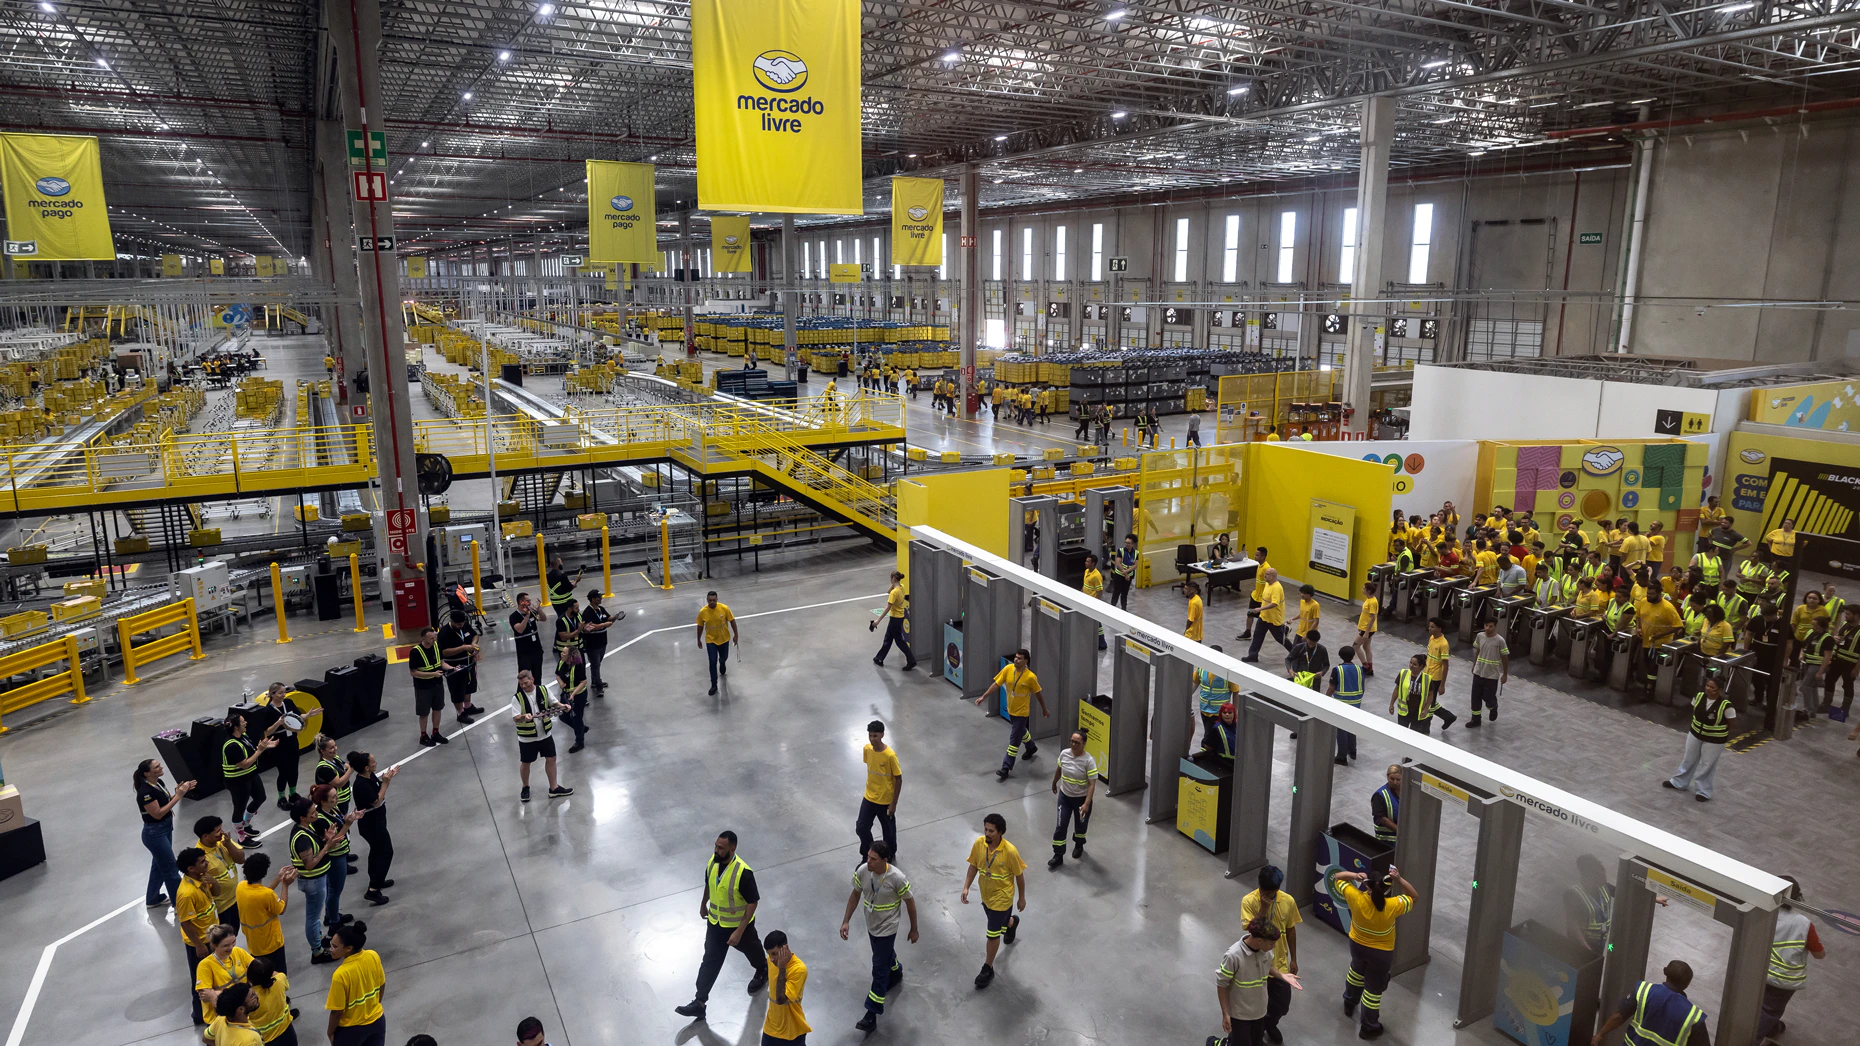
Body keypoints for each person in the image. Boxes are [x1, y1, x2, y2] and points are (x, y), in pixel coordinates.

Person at [676, 831, 769, 1020]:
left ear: (732, 849)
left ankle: (762, 969)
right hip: (715, 924)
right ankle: (700, 1002)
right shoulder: (713, 862)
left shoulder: (743, 873)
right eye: (716, 846)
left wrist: (739, 931)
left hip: (739, 927)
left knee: (753, 951)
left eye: (721, 848)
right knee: (710, 960)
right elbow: (709, 885)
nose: (716, 850)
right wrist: (703, 903)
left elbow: (753, 902)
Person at [839, 841, 918, 1032]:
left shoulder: (897, 878)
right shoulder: (863, 871)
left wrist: (914, 929)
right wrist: (846, 921)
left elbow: (910, 903)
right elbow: (855, 895)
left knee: (879, 970)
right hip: (872, 924)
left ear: (885, 860)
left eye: (873, 859)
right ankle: (896, 970)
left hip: (888, 928)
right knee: (884, 956)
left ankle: (871, 1013)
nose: (868, 861)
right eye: (868, 857)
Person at [1332, 865, 1419, 1039]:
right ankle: (1368, 1027)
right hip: (1381, 954)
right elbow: (1414, 896)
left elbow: (1337, 877)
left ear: (1367, 885)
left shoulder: (1355, 897)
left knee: (1356, 972)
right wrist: (1399, 879)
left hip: (1357, 946)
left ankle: (1349, 1002)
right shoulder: (1392, 905)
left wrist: (1354, 875)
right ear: (1387, 888)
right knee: (1372, 990)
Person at [960, 812, 1027, 989]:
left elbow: (1019, 876)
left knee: (992, 934)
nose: (987, 833)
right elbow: (973, 865)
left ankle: (987, 968)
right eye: (986, 829)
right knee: (998, 922)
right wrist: (966, 887)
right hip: (986, 895)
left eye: (991, 831)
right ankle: (1011, 923)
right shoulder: (979, 844)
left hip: (1002, 898)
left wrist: (1021, 898)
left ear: (1000, 832)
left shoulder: (1010, 851)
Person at [1239, 866, 1304, 1044]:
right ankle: (1257, 1033)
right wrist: (1263, 908)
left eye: (1272, 893)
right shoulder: (1248, 901)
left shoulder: (1288, 901)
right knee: (1255, 1006)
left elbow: (1291, 930)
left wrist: (1294, 959)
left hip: (1279, 964)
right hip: (1256, 965)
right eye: (1265, 892)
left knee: (1282, 1004)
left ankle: (1269, 1023)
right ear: (1259, 886)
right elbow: (1252, 931)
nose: (1268, 896)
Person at [1759, 875, 1825, 1040]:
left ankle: (1768, 1027)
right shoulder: (1803, 924)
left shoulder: (1761, 913)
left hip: (1759, 971)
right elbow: (1819, 954)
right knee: (1770, 1010)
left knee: (1757, 1004)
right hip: (1783, 980)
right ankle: (1754, 1037)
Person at [1588, 960, 1709, 1046]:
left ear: (1665, 973)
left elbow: (1619, 1016)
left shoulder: (1644, 991)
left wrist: (1599, 1034)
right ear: (1687, 984)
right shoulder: (1693, 1017)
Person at [287, 795, 344, 964]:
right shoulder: (302, 838)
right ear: (302, 817)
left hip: (316, 879)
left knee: (316, 915)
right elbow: (310, 864)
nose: (316, 814)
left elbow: (315, 848)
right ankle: (317, 951)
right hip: (312, 881)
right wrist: (328, 846)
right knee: (313, 917)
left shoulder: (306, 828)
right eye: (312, 813)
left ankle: (318, 939)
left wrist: (326, 839)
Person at [976, 648, 1048, 781]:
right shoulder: (1008, 669)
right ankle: (1031, 747)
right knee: (1021, 731)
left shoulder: (1031, 677)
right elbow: (996, 684)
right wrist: (983, 696)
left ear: (1026, 661)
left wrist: (1044, 709)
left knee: (1014, 740)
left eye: (1019, 658)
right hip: (1011, 710)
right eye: (1016, 657)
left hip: (1022, 713)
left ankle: (1006, 767)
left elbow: (1038, 694)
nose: (1016, 660)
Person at [1665, 677, 1734, 802]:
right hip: (1695, 734)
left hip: (1714, 740)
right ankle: (1679, 782)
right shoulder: (1698, 696)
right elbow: (1695, 711)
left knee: (1707, 764)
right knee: (1688, 758)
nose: (1708, 689)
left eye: (1712, 687)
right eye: (1707, 686)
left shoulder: (1726, 706)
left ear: (1720, 690)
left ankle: (1703, 791)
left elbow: (1731, 723)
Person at [138, 759, 194, 907]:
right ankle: (180, 905)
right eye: (156, 767)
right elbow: (158, 814)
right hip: (155, 833)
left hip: (165, 828)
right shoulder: (145, 793)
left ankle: (153, 898)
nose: (161, 767)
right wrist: (179, 796)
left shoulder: (159, 783)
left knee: (158, 866)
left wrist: (180, 792)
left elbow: (166, 802)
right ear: (147, 773)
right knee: (170, 869)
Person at [176, 847, 223, 1025]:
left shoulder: (202, 878)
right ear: (191, 868)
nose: (207, 863)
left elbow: (216, 893)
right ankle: (199, 1015)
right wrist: (199, 945)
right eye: (202, 862)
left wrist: (214, 882)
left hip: (212, 936)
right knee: (201, 980)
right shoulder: (186, 894)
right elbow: (186, 923)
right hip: (201, 942)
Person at [513, 669, 574, 801]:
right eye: (521, 684)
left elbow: (554, 702)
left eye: (525, 683)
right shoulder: (517, 698)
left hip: (545, 734)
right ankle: (525, 787)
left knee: (551, 758)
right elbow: (515, 718)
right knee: (526, 762)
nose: (523, 686)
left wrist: (563, 706)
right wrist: (523, 717)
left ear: (532, 679)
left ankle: (554, 788)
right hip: (527, 738)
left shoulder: (544, 690)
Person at [346, 752, 397, 905]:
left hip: (377, 820)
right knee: (386, 852)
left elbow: (378, 790)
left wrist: (385, 780)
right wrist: (386, 783)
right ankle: (373, 890)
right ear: (366, 767)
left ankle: (377, 880)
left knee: (376, 851)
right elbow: (376, 801)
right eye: (373, 762)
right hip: (371, 824)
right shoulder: (361, 785)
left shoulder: (370, 776)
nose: (376, 763)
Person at [325, 922, 387, 1046]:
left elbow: (337, 1012)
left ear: (349, 948)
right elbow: (382, 985)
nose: (330, 949)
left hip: (351, 1031)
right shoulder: (373, 956)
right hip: (377, 1022)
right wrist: (373, 1006)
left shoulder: (340, 975)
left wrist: (330, 1032)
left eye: (334, 946)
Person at [222, 713, 279, 847]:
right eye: (243, 722)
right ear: (236, 727)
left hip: (250, 774)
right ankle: (242, 838)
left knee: (260, 797)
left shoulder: (243, 737)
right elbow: (245, 764)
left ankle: (246, 824)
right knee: (239, 807)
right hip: (237, 780)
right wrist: (260, 751)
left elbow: (251, 751)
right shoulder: (231, 746)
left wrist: (264, 746)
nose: (246, 723)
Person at [236, 853, 294, 973]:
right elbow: (281, 908)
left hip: (254, 945)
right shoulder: (266, 895)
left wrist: (278, 878)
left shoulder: (241, 887)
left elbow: (262, 894)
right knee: (278, 975)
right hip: (271, 945)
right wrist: (285, 885)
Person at [1048, 729, 1097, 868]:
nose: (1073, 744)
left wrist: (1086, 804)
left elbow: (1092, 784)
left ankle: (1079, 844)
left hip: (1081, 800)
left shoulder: (1088, 761)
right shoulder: (1064, 754)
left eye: (1077, 742)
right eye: (1072, 741)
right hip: (1065, 797)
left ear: (1084, 744)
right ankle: (1058, 855)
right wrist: (1054, 782)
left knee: (1080, 825)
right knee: (1061, 825)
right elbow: (1059, 769)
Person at [857, 720, 902, 861]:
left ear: (882, 734)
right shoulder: (867, 749)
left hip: (885, 800)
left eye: (875, 736)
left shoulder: (890, 756)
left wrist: (893, 803)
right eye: (870, 735)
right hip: (869, 797)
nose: (872, 739)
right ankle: (869, 854)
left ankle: (888, 855)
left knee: (889, 832)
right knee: (861, 827)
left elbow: (898, 779)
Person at [194, 815, 248, 930]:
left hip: (235, 898)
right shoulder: (200, 858)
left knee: (234, 931)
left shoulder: (224, 841)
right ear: (205, 836)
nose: (222, 833)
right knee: (225, 936)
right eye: (218, 831)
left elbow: (241, 859)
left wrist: (229, 845)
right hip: (221, 908)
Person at [259, 682, 306, 810]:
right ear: (272, 694)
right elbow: (267, 732)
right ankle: (281, 798)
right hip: (279, 744)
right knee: (284, 771)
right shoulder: (267, 710)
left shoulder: (288, 703)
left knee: (294, 768)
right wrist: (278, 723)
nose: (283, 695)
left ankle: (293, 794)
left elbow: (297, 717)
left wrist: (307, 715)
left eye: (284, 692)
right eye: (280, 693)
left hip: (292, 740)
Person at [195, 925, 254, 1023]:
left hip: (243, 1013)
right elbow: (205, 996)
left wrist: (216, 993)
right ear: (214, 945)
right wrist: (243, 991)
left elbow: (257, 971)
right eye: (225, 945)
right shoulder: (205, 965)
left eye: (233, 942)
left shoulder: (238, 952)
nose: (231, 947)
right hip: (222, 1018)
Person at [760, 930, 810, 1045]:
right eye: (769, 954)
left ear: (785, 948)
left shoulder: (798, 969)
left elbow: (781, 999)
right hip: (771, 1027)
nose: (771, 959)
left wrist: (782, 968)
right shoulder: (771, 961)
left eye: (774, 953)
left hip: (791, 1030)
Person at [437, 608, 484, 726]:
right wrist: (463, 648)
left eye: (462, 624)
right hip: (454, 666)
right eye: (458, 624)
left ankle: (468, 706)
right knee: (457, 690)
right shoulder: (444, 633)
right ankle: (460, 713)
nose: (461, 626)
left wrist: (473, 643)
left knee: (468, 685)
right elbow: (445, 652)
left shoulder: (465, 625)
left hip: (468, 662)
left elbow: (475, 635)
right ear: (452, 621)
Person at [407, 627, 449, 747]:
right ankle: (423, 736)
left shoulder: (437, 646)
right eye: (431, 638)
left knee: (437, 708)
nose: (433, 640)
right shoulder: (415, 652)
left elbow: (442, 663)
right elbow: (413, 672)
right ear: (423, 638)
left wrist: (452, 668)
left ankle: (435, 732)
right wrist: (432, 674)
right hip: (423, 687)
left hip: (437, 684)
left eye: (434, 637)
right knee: (424, 712)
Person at [1467, 618, 1509, 728]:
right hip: (1479, 671)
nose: (1487, 628)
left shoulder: (1500, 641)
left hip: (1492, 674)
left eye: (1491, 626)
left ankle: (1493, 706)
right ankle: (1476, 719)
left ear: (1495, 627)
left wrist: (1504, 674)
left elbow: (1505, 657)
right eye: (1486, 626)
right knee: (1475, 697)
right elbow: (1478, 650)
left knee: (1488, 696)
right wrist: (1474, 664)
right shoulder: (1480, 636)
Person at [244, 958, 297, 1046]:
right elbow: (282, 980)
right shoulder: (280, 980)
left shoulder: (250, 998)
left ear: (250, 978)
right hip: (287, 1030)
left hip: (267, 1039)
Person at [870, 570, 916, 669]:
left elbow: (888, 608)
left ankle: (911, 660)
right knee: (888, 638)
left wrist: (878, 621)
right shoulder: (901, 587)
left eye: (891, 578)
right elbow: (888, 591)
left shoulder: (894, 593)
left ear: (893, 578)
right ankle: (879, 658)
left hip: (895, 618)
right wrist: (894, 584)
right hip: (899, 616)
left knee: (899, 641)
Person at [1195, 654, 1241, 753]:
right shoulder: (1202, 668)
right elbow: (1195, 682)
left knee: (1211, 736)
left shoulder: (1227, 673)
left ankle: (1206, 753)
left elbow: (1236, 691)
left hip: (1219, 712)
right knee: (1209, 733)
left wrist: (1234, 712)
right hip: (1204, 710)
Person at [697, 590, 739, 696]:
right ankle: (714, 685)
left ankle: (722, 662)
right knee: (712, 661)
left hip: (724, 639)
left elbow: (732, 621)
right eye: (710, 600)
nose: (712, 602)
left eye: (714, 600)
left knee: (724, 657)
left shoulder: (724, 608)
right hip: (710, 640)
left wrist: (736, 635)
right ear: (707, 600)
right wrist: (698, 639)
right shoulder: (703, 612)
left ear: (717, 599)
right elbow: (700, 626)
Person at [1242, 567, 1287, 662]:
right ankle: (1253, 655)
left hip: (1273, 619)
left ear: (1273, 576)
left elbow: (1274, 603)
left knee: (1280, 638)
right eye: (1265, 574)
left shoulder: (1276, 588)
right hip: (1264, 617)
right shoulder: (1267, 584)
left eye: (1267, 574)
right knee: (1257, 636)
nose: (1265, 576)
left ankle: (1296, 652)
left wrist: (1259, 609)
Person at [1329, 646, 1365, 765]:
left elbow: (1332, 687)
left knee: (1341, 730)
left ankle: (1341, 756)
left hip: (1341, 704)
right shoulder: (1359, 669)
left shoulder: (1337, 670)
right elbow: (1362, 685)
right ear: (1353, 656)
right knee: (1352, 727)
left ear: (1340, 656)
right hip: (1356, 703)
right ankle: (1352, 751)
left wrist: (1325, 698)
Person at [579, 589, 618, 697]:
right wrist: (604, 625)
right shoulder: (588, 612)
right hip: (592, 644)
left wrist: (616, 617)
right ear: (592, 599)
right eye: (598, 597)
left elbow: (608, 618)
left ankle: (594, 681)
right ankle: (599, 686)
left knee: (597, 663)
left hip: (602, 642)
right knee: (595, 665)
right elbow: (590, 627)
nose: (600, 599)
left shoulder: (601, 609)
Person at [1422, 618, 1458, 729]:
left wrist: (1442, 685)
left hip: (1435, 678)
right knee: (1428, 700)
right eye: (1429, 626)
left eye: (1432, 627)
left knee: (1430, 703)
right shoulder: (1432, 638)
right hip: (1427, 674)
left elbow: (1445, 666)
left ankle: (1426, 726)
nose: (1429, 628)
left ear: (1439, 628)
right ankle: (1448, 717)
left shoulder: (1443, 644)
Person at [201, 982, 262, 1046]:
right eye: (252, 996)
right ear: (241, 1009)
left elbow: (206, 1039)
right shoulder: (249, 1041)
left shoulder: (220, 1020)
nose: (257, 995)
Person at [555, 644, 591, 753]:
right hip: (566, 694)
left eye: (564, 653)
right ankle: (581, 728)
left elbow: (583, 682)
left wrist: (573, 694)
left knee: (576, 717)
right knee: (563, 716)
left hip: (578, 695)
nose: (561, 654)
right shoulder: (561, 662)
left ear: (570, 656)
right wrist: (561, 683)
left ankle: (579, 742)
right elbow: (557, 674)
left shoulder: (578, 666)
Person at [508, 593, 546, 685]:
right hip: (524, 653)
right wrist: (527, 616)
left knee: (537, 675)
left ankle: (537, 691)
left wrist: (539, 610)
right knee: (524, 677)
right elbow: (520, 629)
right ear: (521, 602)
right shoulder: (514, 617)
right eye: (528, 601)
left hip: (536, 650)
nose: (530, 603)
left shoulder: (532, 612)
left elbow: (543, 618)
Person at [545, 554, 583, 619]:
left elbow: (559, 586)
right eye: (561, 562)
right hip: (564, 602)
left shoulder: (548, 575)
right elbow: (569, 588)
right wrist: (576, 581)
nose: (562, 564)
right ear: (558, 563)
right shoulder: (562, 575)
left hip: (555, 603)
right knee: (569, 618)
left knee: (561, 617)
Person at [1371, 764, 1401, 846]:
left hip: (1402, 841)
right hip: (1386, 841)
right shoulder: (1380, 795)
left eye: (1398, 779)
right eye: (1392, 779)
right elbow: (1382, 819)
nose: (1395, 782)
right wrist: (1401, 832)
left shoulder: (1406, 792)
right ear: (1387, 777)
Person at [1355, 581, 1379, 676]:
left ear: (1368, 591)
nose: (1362, 590)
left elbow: (1372, 618)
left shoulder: (1372, 602)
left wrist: (1366, 632)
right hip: (1365, 628)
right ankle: (1370, 668)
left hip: (1367, 629)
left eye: (1364, 588)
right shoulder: (1369, 600)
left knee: (1355, 646)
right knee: (1366, 647)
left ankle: (1365, 666)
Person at [1108, 533, 1138, 610]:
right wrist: (1125, 573)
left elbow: (1135, 565)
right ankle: (1112, 608)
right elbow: (1118, 563)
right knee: (1116, 592)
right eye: (1126, 542)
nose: (1127, 544)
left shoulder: (1136, 553)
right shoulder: (1121, 551)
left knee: (1125, 593)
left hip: (1129, 576)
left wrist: (1127, 572)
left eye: (1129, 543)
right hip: (1119, 575)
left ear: (1132, 544)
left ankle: (1124, 609)